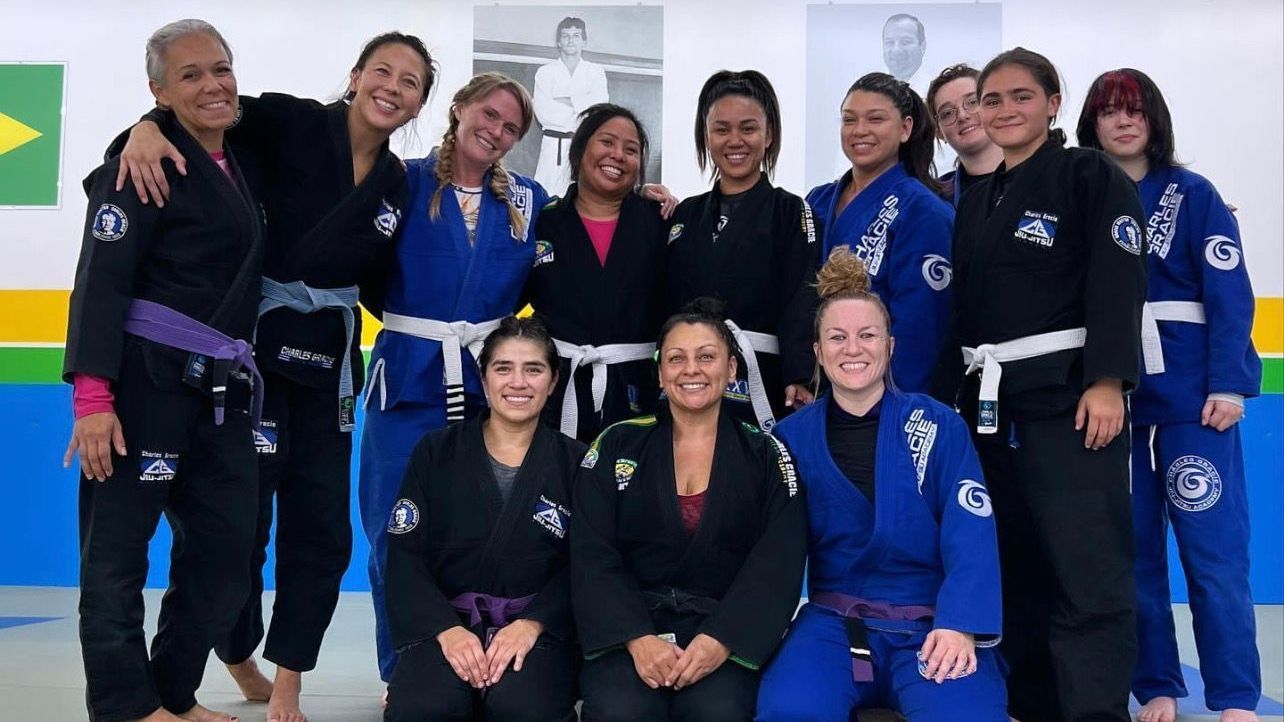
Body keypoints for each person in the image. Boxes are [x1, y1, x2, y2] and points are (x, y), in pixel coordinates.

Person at [113, 32, 435, 721]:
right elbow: (199, 109)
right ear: (355, 76)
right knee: (234, 527)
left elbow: (382, 282)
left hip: (330, 368)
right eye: (383, 70)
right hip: (251, 357)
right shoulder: (288, 120)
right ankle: (229, 652)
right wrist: (143, 128)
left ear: (418, 107)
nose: (393, 87)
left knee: (322, 530)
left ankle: (288, 679)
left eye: (411, 83)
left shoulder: (395, 184)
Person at [932, 47, 1148, 722]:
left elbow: (1118, 276)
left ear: (1053, 104)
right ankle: (1030, 704)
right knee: (1016, 565)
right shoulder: (975, 201)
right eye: (989, 100)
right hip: (993, 409)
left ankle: (1094, 713)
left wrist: (1109, 379)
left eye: (1020, 96)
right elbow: (962, 314)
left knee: (1087, 570)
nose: (1002, 110)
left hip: (1071, 400)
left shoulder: (1088, 175)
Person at [62, 19, 264, 722]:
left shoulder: (239, 157)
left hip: (221, 390)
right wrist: (92, 399)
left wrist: (147, 123)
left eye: (221, 68)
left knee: (229, 548)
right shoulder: (137, 166)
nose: (213, 85)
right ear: (158, 90)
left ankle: (172, 694)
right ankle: (126, 708)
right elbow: (100, 280)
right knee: (115, 558)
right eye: (190, 75)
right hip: (143, 382)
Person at [1077, 68, 1263, 722]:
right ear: (1091, 123)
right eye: (1110, 112)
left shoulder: (1195, 194)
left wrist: (1231, 383)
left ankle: (1236, 695)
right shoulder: (1086, 195)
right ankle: (1157, 683)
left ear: (1154, 119)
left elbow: (1229, 294)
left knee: (1214, 558)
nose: (1124, 122)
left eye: (1136, 111)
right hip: (1116, 402)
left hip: (1193, 403)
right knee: (1135, 558)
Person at [757, 246, 1006, 720]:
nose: (853, 349)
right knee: (788, 710)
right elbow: (765, 551)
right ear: (818, 351)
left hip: (930, 625)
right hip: (831, 624)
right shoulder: (787, 440)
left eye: (868, 335)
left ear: (890, 345)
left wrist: (959, 623)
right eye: (837, 337)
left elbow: (969, 532)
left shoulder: (940, 427)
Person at [360, 72, 547, 683]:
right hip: (408, 381)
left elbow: (585, 228)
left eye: (511, 128)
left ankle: (481, 663)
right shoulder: (404, 180)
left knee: (479, 531)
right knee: (396, 528)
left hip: (486, 390)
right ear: (459, 108)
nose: (496, 131)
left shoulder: (527, 198)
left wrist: (653, 199)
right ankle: (404, 668)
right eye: (488, 115)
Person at [571, 298, 807, 721]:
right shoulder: (617, 443)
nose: (691, 370)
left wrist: (721, 639)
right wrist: (638, 638)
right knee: (622, 710)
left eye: (707, 357)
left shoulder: (766, 452)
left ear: (732, 369)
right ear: (660, 372)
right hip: (632, 631)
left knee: (718, 712)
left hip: (723, 632)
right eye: (676, 358)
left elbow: (779, 560)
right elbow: (592, 552)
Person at [383, 316, 584, 722]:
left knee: (525, 709)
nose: (518, 383)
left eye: (534, 369)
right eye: (503, 368)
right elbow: (405, 557)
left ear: (554, 380)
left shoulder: (577, 462)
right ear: (483, 376)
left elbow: (588, 564)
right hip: (448, 627)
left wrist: (534, 625)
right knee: (424, 709)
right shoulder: (436, 452)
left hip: (534, 636)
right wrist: (447, 631)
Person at [667, 70, 822, 433]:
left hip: (760, 381)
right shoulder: (685, 214)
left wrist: (800, 374)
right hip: (688, 379)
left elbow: (804, 294)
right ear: (706, 137)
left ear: (768, 135)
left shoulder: (792, 211)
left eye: (748, 128)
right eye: (721, 129)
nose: (735, 140)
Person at [522, 103, 668, 442]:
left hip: (635, 394)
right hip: (558, 392)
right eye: (607, 142)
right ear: (579, 149)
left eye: (631, 150)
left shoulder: (659, 222)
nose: (618, 155)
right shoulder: (545, 220)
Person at [807, 72, 953, 394]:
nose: (859, 131)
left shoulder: (923, 211)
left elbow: (921, 327)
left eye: (875, 119)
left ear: (905, 128)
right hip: (820, 389)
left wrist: (895, 402)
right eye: (849, 120)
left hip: (885, 393)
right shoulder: (816, 201)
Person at [533, 16, 609, 197]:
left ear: (584, 41)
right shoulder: (545, 72)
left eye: (576, 35)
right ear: (559, 42)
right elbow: (544, 113)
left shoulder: (596, 72)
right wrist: (583, 104)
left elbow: (599, 109)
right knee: (546, 197)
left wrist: (564, 100)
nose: (570, 40)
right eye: (565, 36)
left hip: (583, 144)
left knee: (583, 198)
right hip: (553, 146)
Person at [926, 64, 1003, 206]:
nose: (962, 116)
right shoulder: (933, 200)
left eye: (972, 102)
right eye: (947, 113)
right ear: (938, 131)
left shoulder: (1045, 175)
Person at [882, 14, 927, 88]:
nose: (896, 50)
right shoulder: (870, 90)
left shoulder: (934, 89)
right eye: (890, 42)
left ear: (922, 47)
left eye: (905, 42)